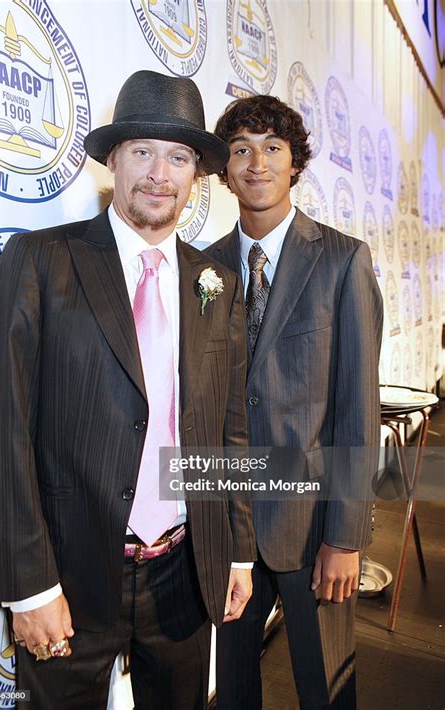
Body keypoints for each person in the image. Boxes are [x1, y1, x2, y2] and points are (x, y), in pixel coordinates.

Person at [0, 70, 256, 710]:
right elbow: (4, 430)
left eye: (179, 157)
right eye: (143, 152)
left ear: (197, 176)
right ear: (112, 160)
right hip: (69, 578)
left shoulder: (216, 283)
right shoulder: (42, 261)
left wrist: (236, 551)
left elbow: (227, 427)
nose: (160, 173)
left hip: (184, 575)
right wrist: (29, 587)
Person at [206, 95, 383, 709]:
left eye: (272, 149)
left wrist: (346, 536)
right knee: (233, 693)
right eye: (240, 150)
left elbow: (357, 409)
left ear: (295, 163)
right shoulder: (200, 270)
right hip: (226, 525)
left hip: (313, 530)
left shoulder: (341, 260)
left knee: (325, 689)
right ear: (223, 169)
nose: (256, 163)